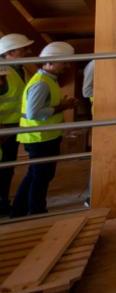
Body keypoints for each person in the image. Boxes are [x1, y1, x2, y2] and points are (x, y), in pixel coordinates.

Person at [12, 42, 76, 217]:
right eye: (65, 62)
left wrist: (61, 105)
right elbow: (34, 113)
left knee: (36, 175)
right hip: (40, 138)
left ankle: (19, 210)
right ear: (52, 61)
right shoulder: (41, 83)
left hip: (43, 136)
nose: (67, 66)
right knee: (40, 177)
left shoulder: (47, 80)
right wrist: (61, 108)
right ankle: (36, 211)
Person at [0, 33, 34, 214]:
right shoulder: (2, 72)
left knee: (7, 167)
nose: (28, 52)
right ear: (10, 52)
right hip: (3, 128)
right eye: (23, 49)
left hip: (14, 127)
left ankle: (3, 201)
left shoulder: (19, 69)